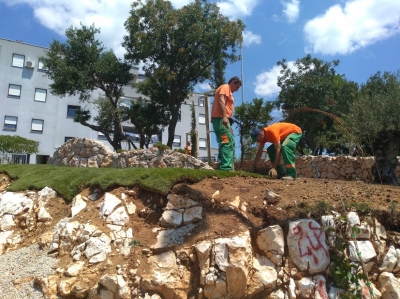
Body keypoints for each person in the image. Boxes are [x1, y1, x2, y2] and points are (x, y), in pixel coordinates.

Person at [211, 76, 242, 171]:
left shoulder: (227, 90)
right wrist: (224, 117)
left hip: (222, 122)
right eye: (237, 87)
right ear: (232, 82)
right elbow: (221, 101)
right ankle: (225, 167)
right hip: (221, 120)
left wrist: (229, 126)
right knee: (227, 142)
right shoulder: (225, 87)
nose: (236, 90)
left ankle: (223, 164)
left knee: (227, 142)